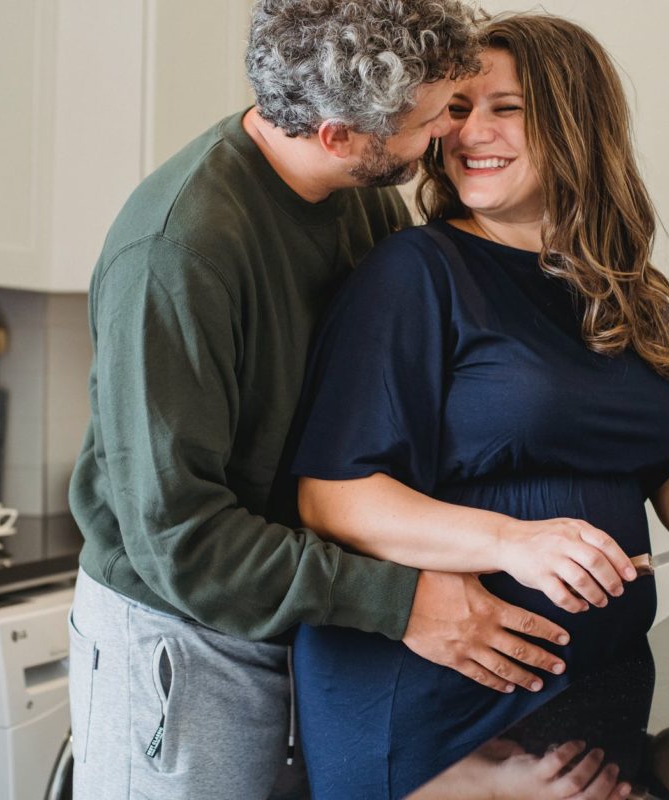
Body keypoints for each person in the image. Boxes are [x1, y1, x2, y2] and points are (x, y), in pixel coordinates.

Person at [287, 13, 669, 799]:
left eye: (505, 108)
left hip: (594, 694)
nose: (469, 134)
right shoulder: (415, 275)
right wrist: (513, 542)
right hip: (438, 713)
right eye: (457, 110)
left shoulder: (628, 288)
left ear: (574, 123)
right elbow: (332, 495)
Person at [66, 3, 575, 798]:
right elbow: (181, 541)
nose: (450, 131)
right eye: (434, 116)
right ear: (341, 133)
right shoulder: (177, 253)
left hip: (302, 616)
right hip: (185, 634)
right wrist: (401, 601)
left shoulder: (359, 195)